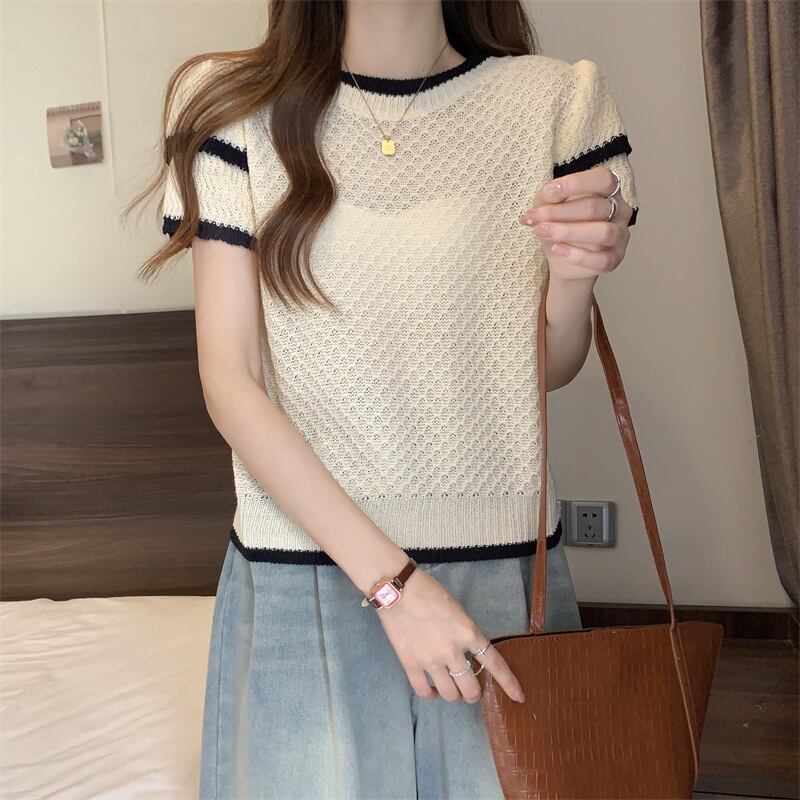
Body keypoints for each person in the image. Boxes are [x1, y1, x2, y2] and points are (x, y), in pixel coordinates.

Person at [140, 1, 639, 796]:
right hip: (305, 575)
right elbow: (230, 381)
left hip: (502, 576)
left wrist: (574, 281)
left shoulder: (557, 101)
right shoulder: (231, 110)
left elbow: (542, 369)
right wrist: (395, 587)